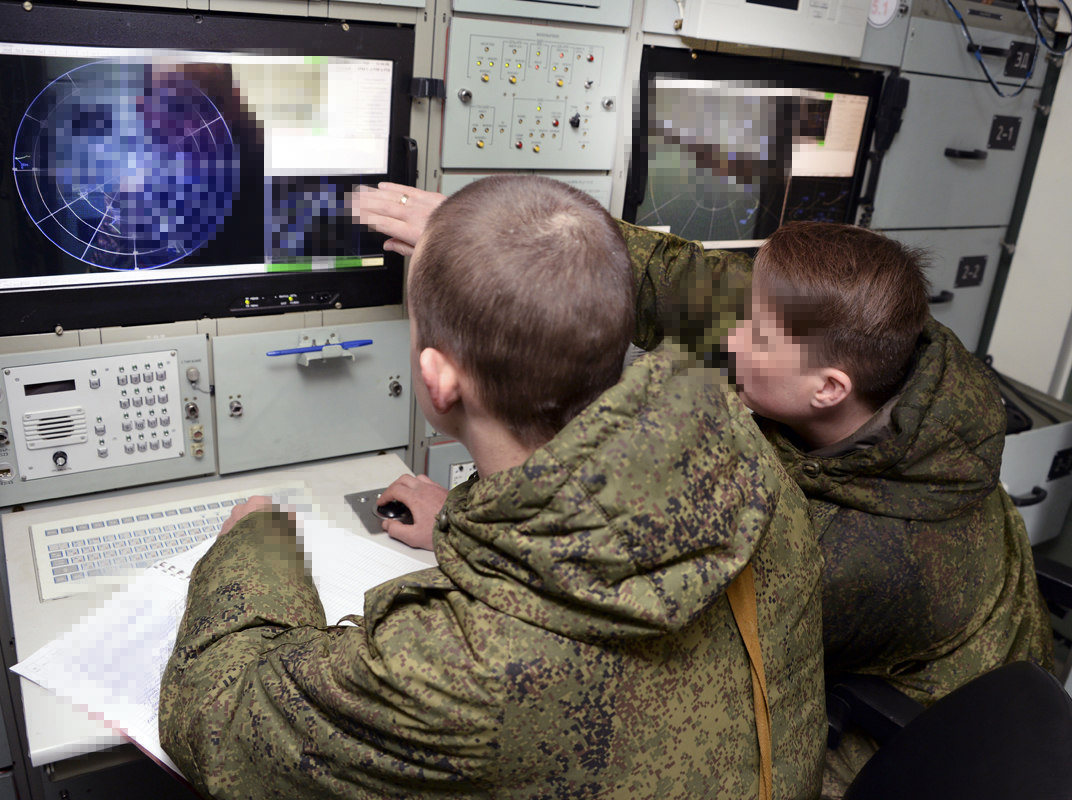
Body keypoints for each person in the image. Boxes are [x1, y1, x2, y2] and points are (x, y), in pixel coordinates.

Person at [353, 183, 1054, 798]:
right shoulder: (876, 335)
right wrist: (510, 241)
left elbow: (623, 609)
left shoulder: (863, 552)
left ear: (828, 389)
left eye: (758, 337)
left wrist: (459, 522)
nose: (730, 339)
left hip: (914, 753)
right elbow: (690, 282)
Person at [160, 175, 827, 799]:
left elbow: (218, 716)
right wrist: (465, 521)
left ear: (438, 380)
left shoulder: (455, 671)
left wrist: (256, 547)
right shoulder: (754, 470)